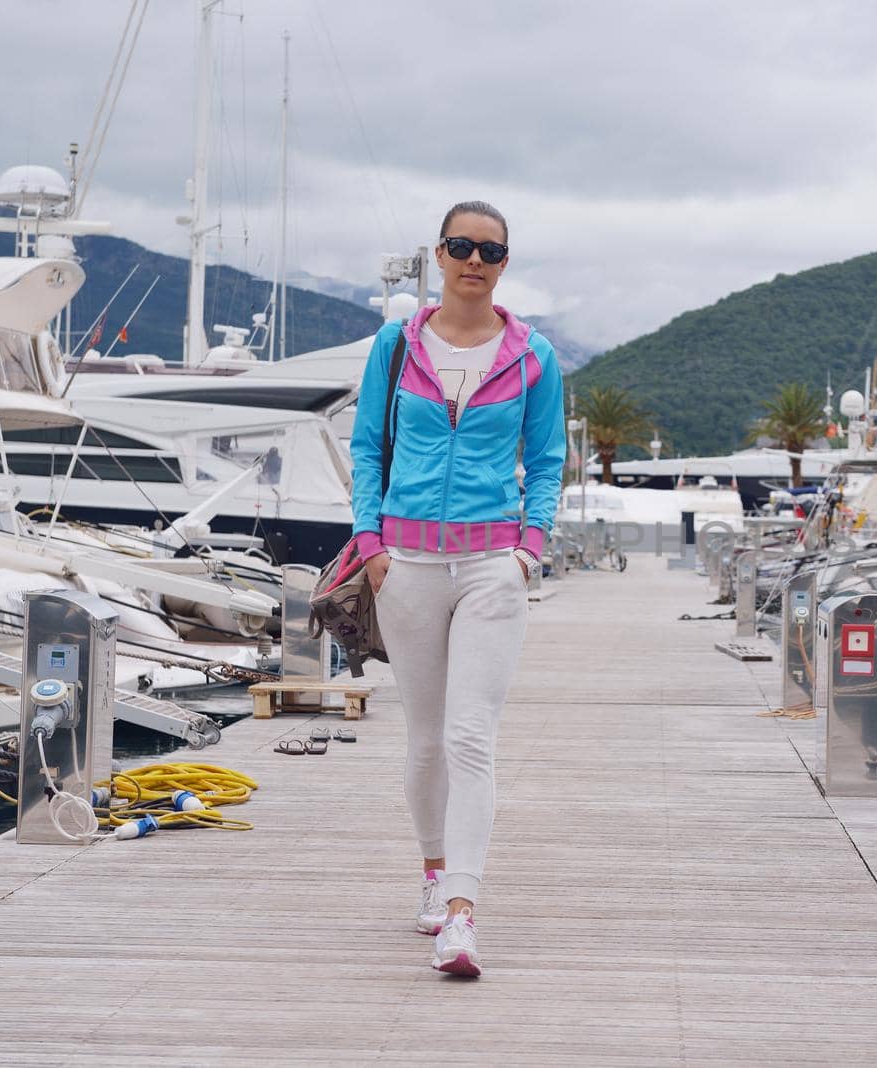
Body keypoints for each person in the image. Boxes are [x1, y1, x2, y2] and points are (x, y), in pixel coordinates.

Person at [348, 200, 565, 978]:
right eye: (461, 246)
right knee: (427, 737)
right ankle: (434, 873)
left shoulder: (533, 355)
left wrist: (527, 550)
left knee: (472, 736)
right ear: (438, 255)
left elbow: (547, 462)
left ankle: (463, 916)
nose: (475, 259)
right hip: (403, 564)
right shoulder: (394, 347)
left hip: (489, 567)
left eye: (490, 250)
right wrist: (371, 545)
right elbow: (366, 446)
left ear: (505, 263)